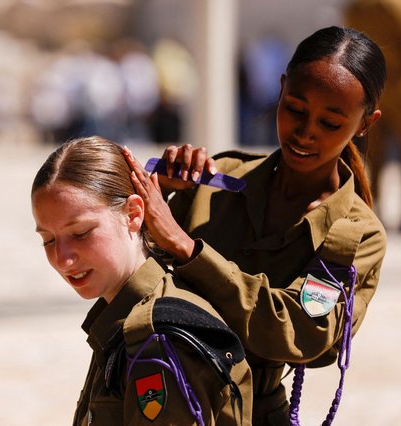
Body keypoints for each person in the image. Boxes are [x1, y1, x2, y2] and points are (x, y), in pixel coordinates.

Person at [124, 26, 387, 425]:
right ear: (281, 89)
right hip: (151, 395)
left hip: (250, 410)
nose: (305, 132)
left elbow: (298, 332)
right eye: (295, 109)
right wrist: (159, 190)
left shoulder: (355, 234)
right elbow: (120, 270)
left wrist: (189, 250)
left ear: (366, 124)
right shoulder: (217, 181)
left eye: (330, 123)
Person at [31, 136, 252, 425]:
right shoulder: (124, 317)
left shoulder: (157, 337)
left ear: (134, 214)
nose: (63, 259)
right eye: (48, 240)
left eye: (81, 233)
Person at [345, 0, 401, 230]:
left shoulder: (356, 7)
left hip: (375, 89)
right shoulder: (397, 6)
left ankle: (372, 207)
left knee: (373, 153)